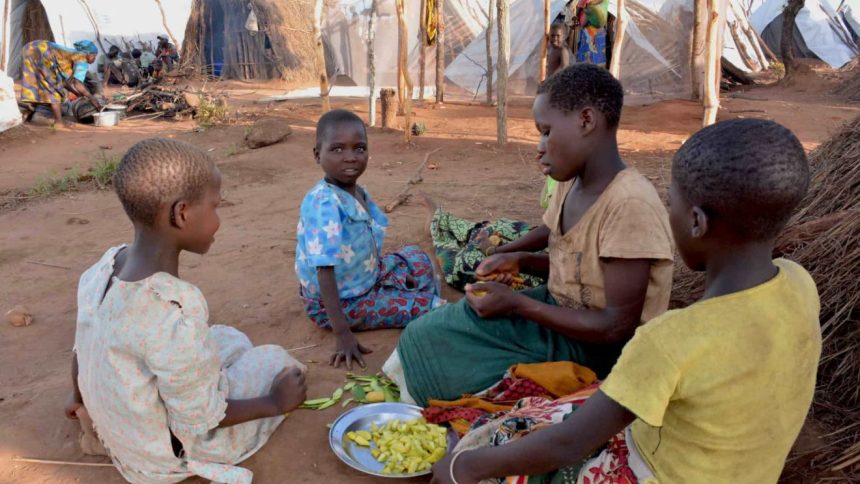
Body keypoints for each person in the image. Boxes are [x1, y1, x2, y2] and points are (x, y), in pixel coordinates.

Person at [430, 118, 821, 484]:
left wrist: (461, 468)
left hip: (656, 473)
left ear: (697, 222)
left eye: (673, 203)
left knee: (518, 439)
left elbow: (568, 445)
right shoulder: (799, 282)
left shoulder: (669, 340)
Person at [387, 64, 674, 406]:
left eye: (546, 131)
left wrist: (518, 304)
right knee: (428, 331)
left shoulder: (629, 205)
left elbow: (615, 328)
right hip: (559, 313)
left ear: (586, 120)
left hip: (600, 351)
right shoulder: (573, 184)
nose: (539, 146)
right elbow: (568, 256)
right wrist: (516, 258)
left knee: (451, 368)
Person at [64, 138, 308, 483]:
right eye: (214, 206)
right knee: (275, 361)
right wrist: (274, 402)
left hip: (121, 424)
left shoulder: (103, 268)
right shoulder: (172, 310)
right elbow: (200, 418)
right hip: (164, 455)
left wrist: (77, 397)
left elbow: (81, 349)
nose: (218, 219)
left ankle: (100, 428)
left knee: (227, 338)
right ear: (182, 214)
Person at [295, 110, 444, 370]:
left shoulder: (354, 191)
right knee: (432, 306)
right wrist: (342, 334)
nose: (350, 157)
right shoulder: (324, 204)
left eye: (359, 148)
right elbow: (325, 271)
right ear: (318, 154)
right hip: (344, 301)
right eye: (338, 149)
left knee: (417, 257)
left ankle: (396, 290)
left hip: (365, 276)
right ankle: (402, 298)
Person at [20, 39, 103, 126]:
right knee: (53, 89)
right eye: (94, 56)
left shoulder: (70, 55)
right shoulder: (82, 58)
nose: (94, 59)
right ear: (88, 54)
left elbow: (63, 82)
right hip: (44, 52)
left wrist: (76, 93)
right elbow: (77, 83)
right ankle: (59, 122)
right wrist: (91, 97)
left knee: (35, 82)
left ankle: (28, 111)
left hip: (30, 47)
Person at [566, 0, 609, 67]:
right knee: (594, 54)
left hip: (590, 29)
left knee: (592, 53)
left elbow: (575, 7)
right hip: (594, 29)